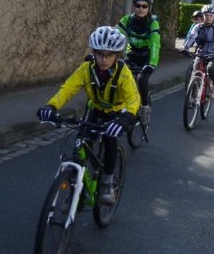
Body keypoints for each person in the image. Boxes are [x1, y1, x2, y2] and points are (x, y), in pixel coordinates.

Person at [37, 26, 139, 205]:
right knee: (82, 143)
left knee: (110, 139)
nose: (103, 59)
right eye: (99, 54)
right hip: (95, 109)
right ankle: (78, 183)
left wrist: (127, 117)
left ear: (117, 55)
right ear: (93, 52)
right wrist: (51, 106)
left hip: (116, 113)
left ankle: (107, 183)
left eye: (109, 54)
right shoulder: (86, 69)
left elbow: (133, 97)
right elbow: (68, 89)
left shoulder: (123, 73)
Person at [117, 0, 160, 124]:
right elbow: (115, 37)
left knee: (142, 80)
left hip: (147, 57)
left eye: (144, 6)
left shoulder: (153, 23)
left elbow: (155, 44)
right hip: (132, 54)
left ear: (149, 8)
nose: (141, 8)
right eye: (138, 5)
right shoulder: (127, 20)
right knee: (118, 78)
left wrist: (152, 63)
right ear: (134, 6)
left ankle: (145, 107)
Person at [183, 4, 214, 98]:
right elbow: (192, 37)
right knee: (195, 70)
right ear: (203, 16)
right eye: (206, 15)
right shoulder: (198, 27)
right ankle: (193, 94)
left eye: (211, 15)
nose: (208, 17)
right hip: (201, 52)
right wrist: (186, 47)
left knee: (210, 68)